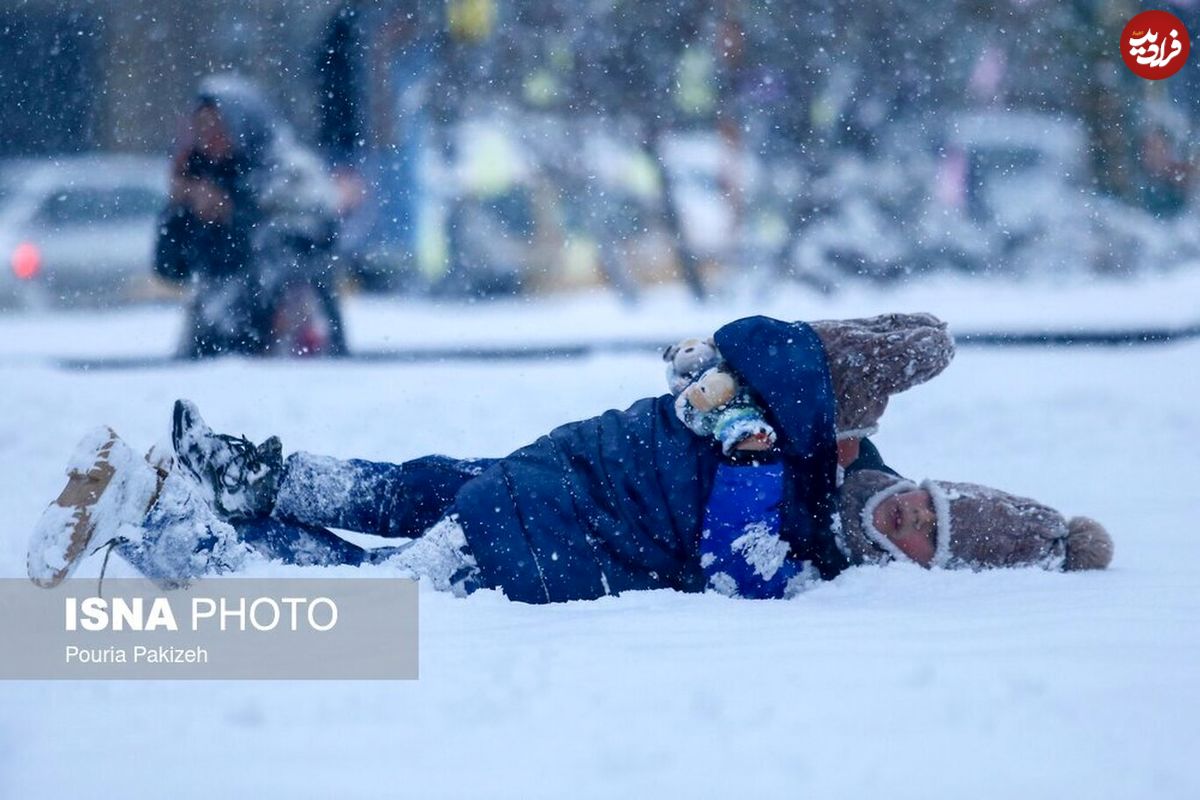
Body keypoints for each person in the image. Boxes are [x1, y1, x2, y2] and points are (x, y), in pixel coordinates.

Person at [28, 314, 1112, 601]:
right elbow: (776, 347)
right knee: (377, 581)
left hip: (551, 501)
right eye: (928, 507)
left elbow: (742, 562)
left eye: (925, 544)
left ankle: (209, 502)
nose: (908, 524)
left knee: (408, 516)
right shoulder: (825, 449)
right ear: (919, 483)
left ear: (912, 569)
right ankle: (179, 511)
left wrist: (741, 441)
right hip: (551, 510)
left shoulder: (812, 542)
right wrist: (755, 414)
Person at [154, 74, 346, 357]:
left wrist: (232, 214)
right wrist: (178, 208)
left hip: (291, 341)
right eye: (201, 128)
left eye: (218, 127)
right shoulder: (207, 177)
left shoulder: (290, 172)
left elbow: (303, 247)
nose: (209, 139)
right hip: (216, 340)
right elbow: (171, 267)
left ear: (244, 124)